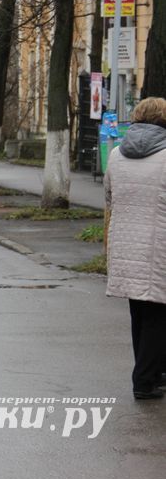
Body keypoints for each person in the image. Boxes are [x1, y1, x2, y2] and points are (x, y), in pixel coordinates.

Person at [104, 97, 166, 400]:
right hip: (159, 246)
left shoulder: (116, 154)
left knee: (139, 312)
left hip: (125, 243)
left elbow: (108, 195)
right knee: (158, 313)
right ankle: (144, 380)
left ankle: (153, 373)